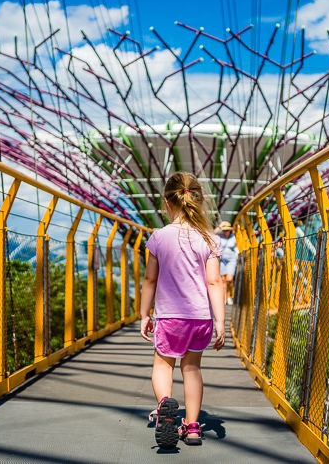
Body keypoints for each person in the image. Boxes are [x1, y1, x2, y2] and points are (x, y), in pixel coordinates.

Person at [140, 172, 225, 450]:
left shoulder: (159, 237)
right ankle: (191, 428)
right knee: (192, 369)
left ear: (167, 202)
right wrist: (220, 322)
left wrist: (144, 314)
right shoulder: (208, 239)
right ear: (197, 200)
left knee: (163, 365)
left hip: (169, 317)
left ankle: (166, 408)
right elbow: (214, 282)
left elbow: (150, 279)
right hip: (200, 318)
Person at [217, 221, 238, 303]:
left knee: (229, 279)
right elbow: (211, 234)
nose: (225, 232)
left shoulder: (234, 237)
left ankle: (229, 296)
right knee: (223, 280)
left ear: (230, 230)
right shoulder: (219, 237)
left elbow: (237, 248)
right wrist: (219, 226)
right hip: (222, 260)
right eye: (224, 230)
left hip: (231, 260)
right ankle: (226, 298)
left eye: (227, 230)